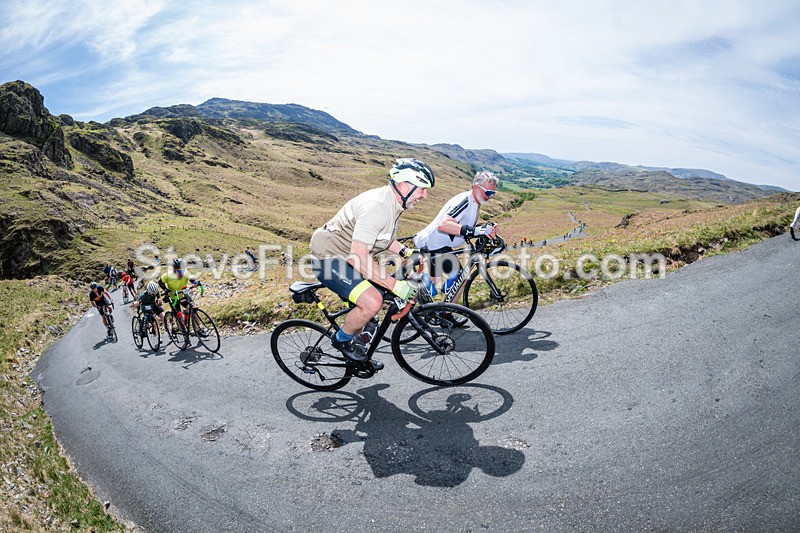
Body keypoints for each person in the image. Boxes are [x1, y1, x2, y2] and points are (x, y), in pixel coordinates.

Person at [309, 158, 434, 365]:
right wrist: (396, 286)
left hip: (349, 256)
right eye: (422, 189)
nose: (425, 195)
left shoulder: (394, 203)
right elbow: (358, 257)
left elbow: (382, 237)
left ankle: (359, 343)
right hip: (330, 258)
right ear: (403, 185)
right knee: (373, 301)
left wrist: (404, 251)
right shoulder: (377, 207)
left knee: (373, 305)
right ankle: (341, 340)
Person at [413, 170, 499, 297]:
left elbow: (464, 227)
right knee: (460, 279)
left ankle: (425, 311)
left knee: (432, 285)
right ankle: (446, 313)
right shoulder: (465, 201)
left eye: (493, 193)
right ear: (476, 187)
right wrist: (475, 230)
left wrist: (484, 228)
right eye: (488, 192)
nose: (490, 196)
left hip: (435, 244)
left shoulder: (475, 202)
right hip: (434, 245)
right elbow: (444, 225)